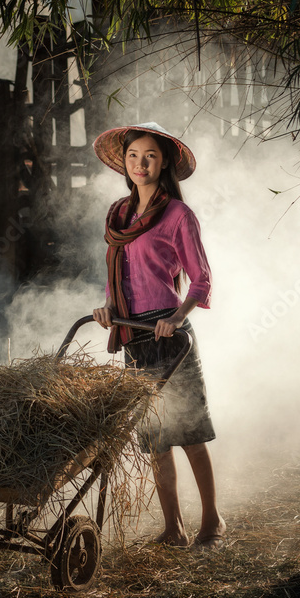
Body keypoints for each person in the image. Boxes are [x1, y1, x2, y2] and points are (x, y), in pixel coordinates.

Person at [91, 122, 226, 549]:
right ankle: (174, 528)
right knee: (155, 440)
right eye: (133, 156)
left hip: (170, 336)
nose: (140, 163)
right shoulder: (118, 215)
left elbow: (202, 280)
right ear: (123, 162)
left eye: (149, 155)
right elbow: (120, 278)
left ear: (163, 161)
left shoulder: (177, 215)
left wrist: (178, 316)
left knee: (187, 434)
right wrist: (108, 309)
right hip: (133, 335)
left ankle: (212, 522)